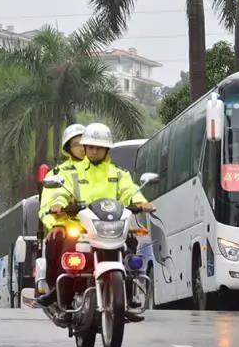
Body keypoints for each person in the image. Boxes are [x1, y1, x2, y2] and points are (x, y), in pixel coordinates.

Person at [38, 123, 155, 318]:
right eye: (90, 147)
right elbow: (58, 193)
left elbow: (129, 190)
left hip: (110, 226)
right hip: (80, 228)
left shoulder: (118, 173)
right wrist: (59, 204)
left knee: (130, 244)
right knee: (66, 249)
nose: (94, 151)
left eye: (99, 147)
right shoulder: (69, 171)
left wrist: (141, 202)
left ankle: (125, 298)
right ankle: (61, 297)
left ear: (107, 149)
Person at [38, 124, 86, 297]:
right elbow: (52, 199)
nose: (82, 148)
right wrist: (57, 222)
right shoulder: (58, 173)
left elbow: (124, 191)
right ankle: (54, 288)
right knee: (55, 240)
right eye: (76, 144)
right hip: (71, 226)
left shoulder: (108, 171)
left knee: (129, 240)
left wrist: (137, 202)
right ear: (68, 148)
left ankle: (128, 286)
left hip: (102, 226)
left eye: (85, 143)